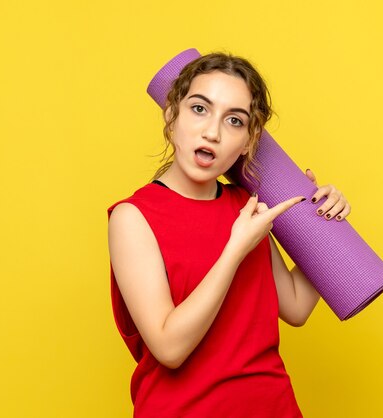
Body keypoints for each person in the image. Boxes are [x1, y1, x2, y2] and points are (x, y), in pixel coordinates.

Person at [107, 52, 351, 417]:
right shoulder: (133, 217)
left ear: (249, 141)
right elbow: (169, 348)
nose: (213, 132)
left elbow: (296, 307)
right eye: (200, 109)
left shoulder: (247, 206)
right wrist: (235, 250)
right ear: (172, 114)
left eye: (234, 120)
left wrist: (324, 226)